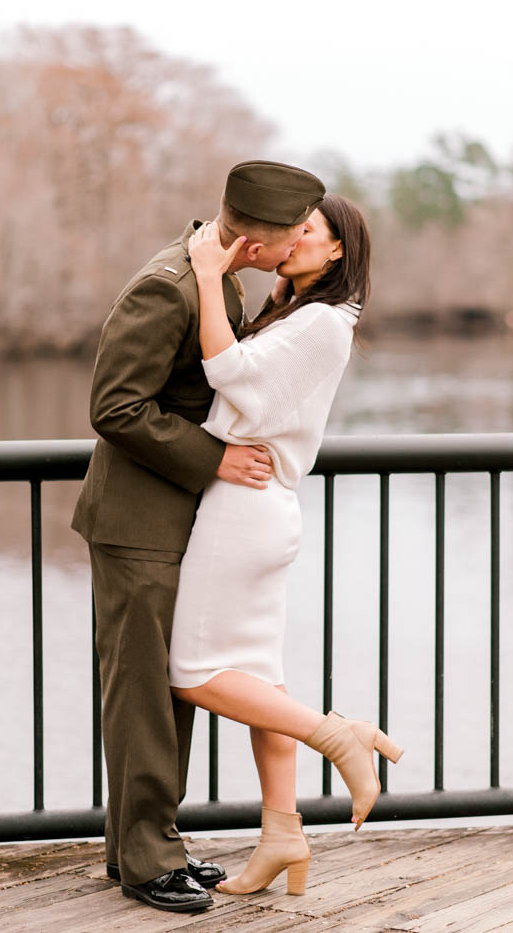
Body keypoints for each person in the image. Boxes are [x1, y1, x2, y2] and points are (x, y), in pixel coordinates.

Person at [71, 160, 327, 914]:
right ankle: (148, 863)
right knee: (146, 697)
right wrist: (214, 458)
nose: (295, 251)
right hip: (137, 524)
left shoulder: (221, 276)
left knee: (167, 690)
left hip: (176, 523)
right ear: (256, 243)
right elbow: (114, 407)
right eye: (289, 241)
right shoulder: (169, 284)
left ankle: (146, 846)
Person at [169, 195, 403, 896]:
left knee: (194, 674)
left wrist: (210, 276)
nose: (293, 237)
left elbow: (228, 372)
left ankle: (337, 735)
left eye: (310, 230)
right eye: (293, 227)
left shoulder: (323, 322)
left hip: (244, 510)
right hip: (257, 506)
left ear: (337, 251)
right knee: (258, 678)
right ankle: (282, 836)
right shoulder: (300, 313)